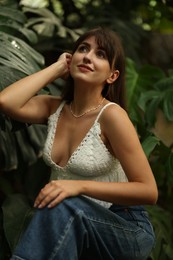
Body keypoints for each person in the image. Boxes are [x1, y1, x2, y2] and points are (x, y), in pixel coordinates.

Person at [0, 27, 158, 260]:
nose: (88, 56)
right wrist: (56, 68)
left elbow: (148, 190)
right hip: (73, 221)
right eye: (83, 49)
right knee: (63, 207)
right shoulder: (55, 108)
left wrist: (78, 187)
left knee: (66, 204)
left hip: (125, 227)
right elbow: (6, 101)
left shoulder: (112, 116)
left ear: (112, 76)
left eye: (101, 54)